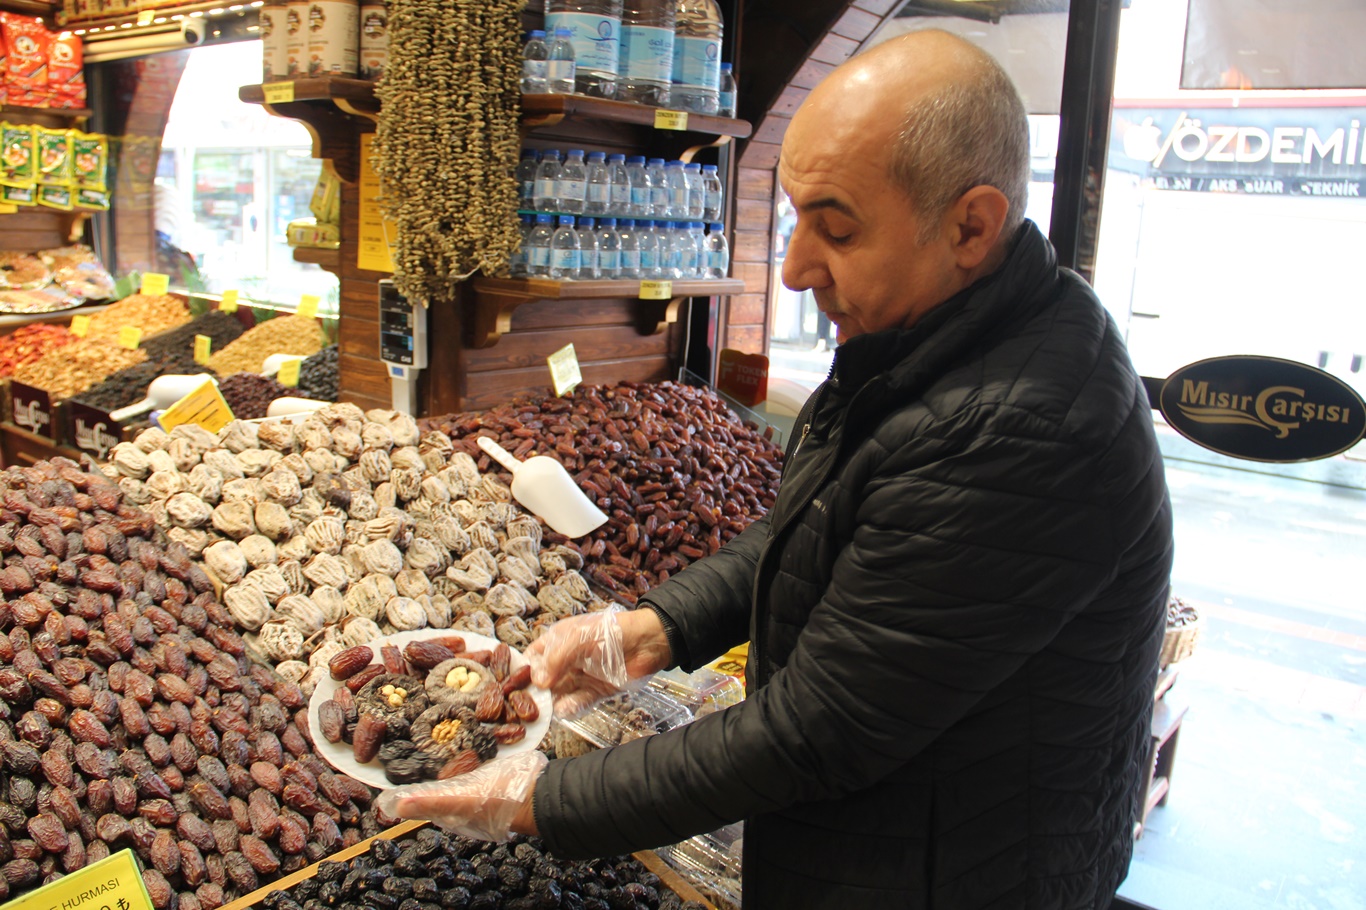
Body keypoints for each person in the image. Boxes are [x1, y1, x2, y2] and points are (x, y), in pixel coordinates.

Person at [380, 29, 1174, 909]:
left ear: (971, 227)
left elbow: (820, 731)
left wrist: (546, 798)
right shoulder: (934, 341)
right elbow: (818, 526)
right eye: (795, 221)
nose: (793, 269)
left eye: (836, 229)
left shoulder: (1022, 429)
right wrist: (649, 631)